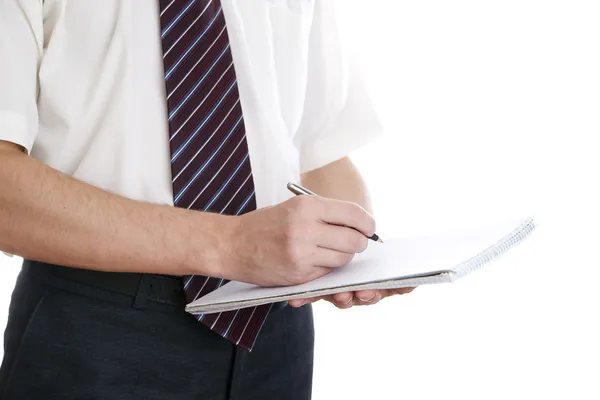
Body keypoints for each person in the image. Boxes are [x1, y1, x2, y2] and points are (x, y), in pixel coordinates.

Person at [0, 1, 413, 399]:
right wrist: (230, 245)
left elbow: (319, 150)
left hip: (277, 329)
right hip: (95, 327)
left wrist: (350, 256)